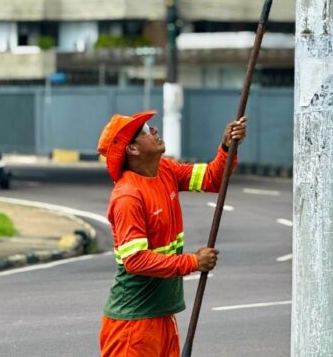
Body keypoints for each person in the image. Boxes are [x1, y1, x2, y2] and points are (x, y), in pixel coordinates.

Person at [96, 110, 247, 357]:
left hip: (162, 316)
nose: (154, 131)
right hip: (133, 327)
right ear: (132, 150)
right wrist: (193, 262)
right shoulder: (127, 196)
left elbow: (213, 179)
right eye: (145, 131)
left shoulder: (165, 170)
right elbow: (135, 260)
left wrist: (227, 147)